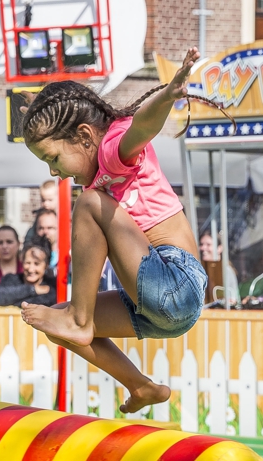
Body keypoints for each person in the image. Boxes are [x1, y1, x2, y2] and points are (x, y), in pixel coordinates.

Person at [19, 49, 207, 413]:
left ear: (85, 136)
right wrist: (39, 101)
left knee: (89, 203)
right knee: (58, 321)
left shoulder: (111, 147)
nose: (54, 173)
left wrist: (166, 96)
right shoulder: (97, 152)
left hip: (175, 282)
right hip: (161, 308)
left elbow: (143, 127)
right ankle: (143, 387)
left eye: (53, 159)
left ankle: (80, 318)